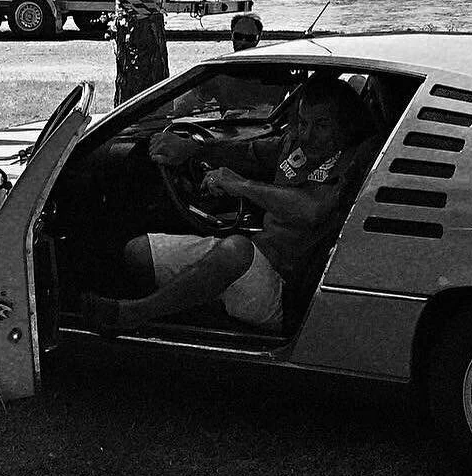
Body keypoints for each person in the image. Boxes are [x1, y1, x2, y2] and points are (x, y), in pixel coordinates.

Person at [85, 77, 376, 338]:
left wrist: (240, 185)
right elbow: (246, 152)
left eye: (321, 125)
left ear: (343, 126)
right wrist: (192, 149)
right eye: (302, 123)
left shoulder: (351, 160)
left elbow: (311, 209)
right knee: (138, 252)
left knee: (236, 248)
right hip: (255, 263)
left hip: (286, 291)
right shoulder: (294, 145)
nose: (308, 134)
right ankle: (184, 322)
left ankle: (134, 314)